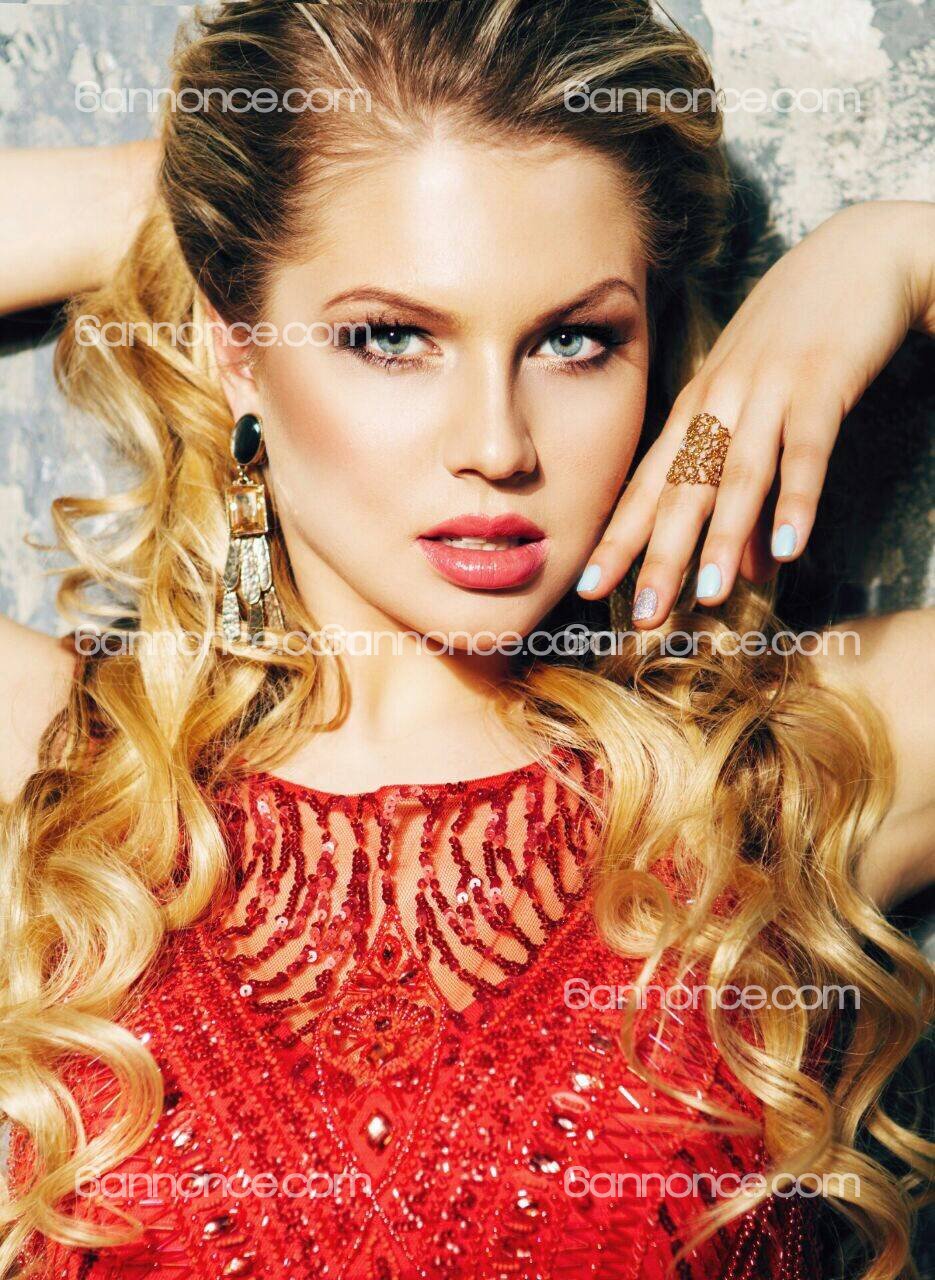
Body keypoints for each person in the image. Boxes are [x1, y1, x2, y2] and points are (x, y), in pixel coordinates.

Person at [0, 2, 932, 1277]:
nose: (497, 444)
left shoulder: (779, 764)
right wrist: (162, 201)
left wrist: (888, 254)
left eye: (574, 338)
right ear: (237, 353)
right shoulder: (60, 772)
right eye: (388, 335)